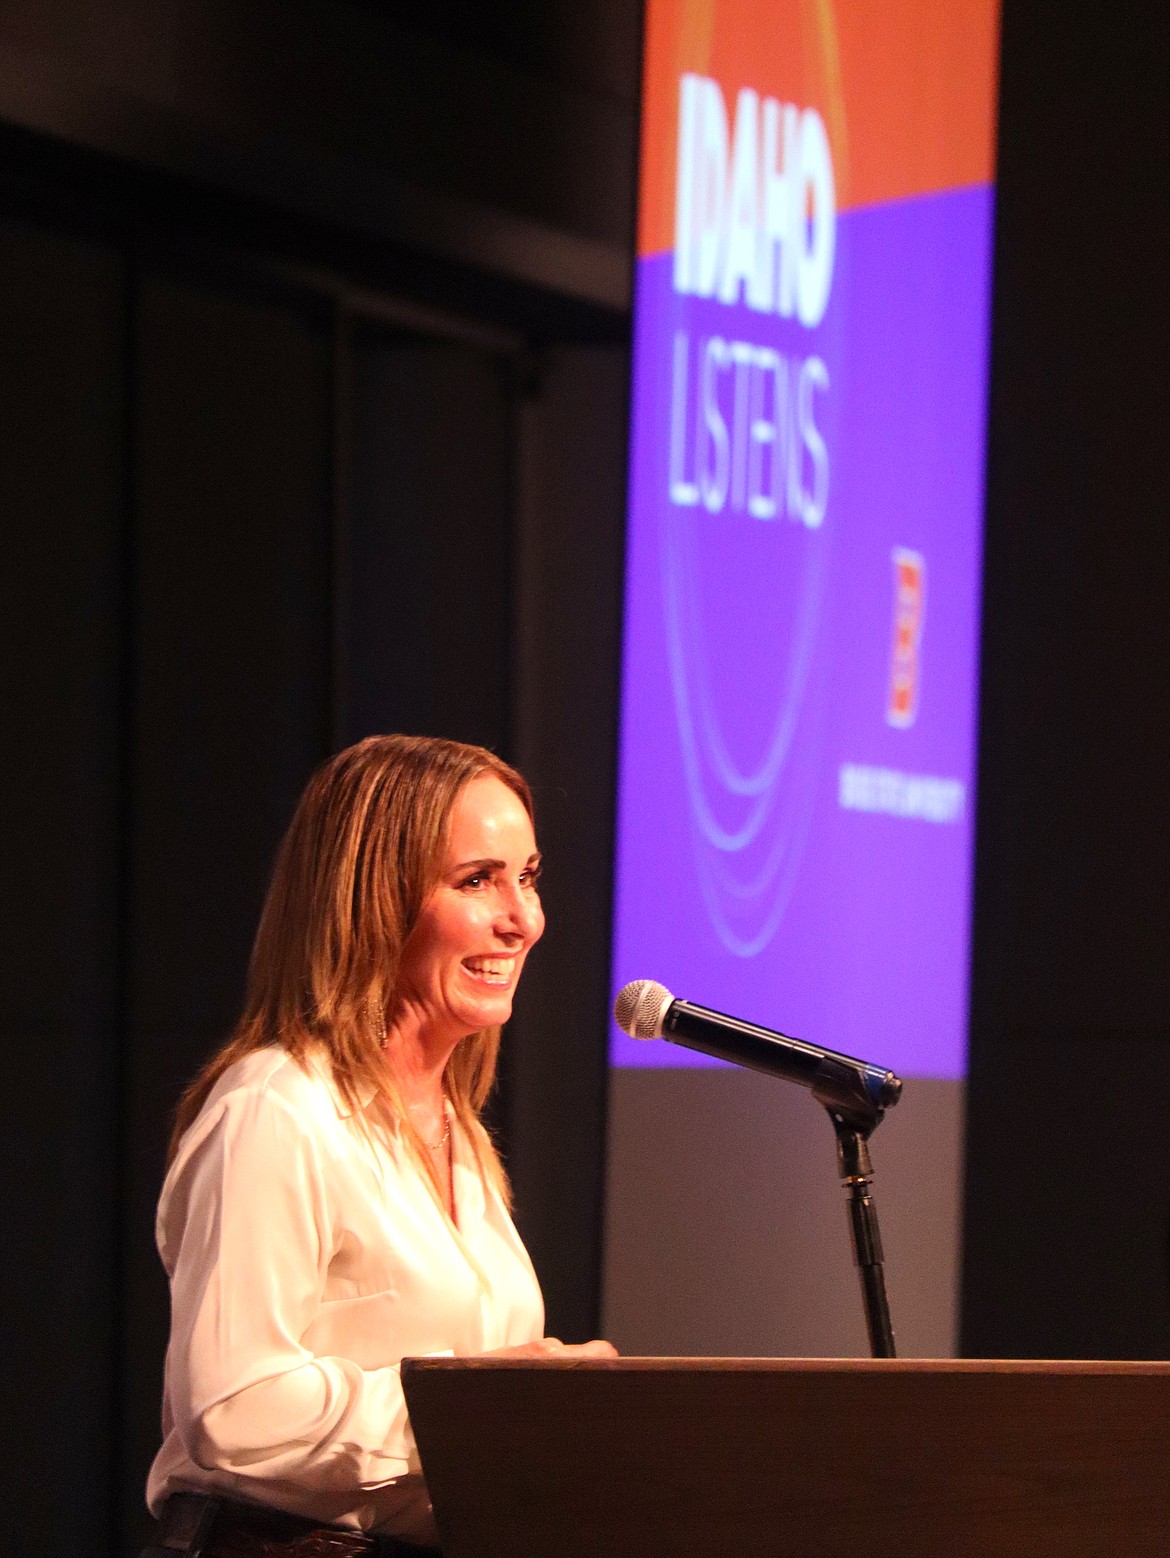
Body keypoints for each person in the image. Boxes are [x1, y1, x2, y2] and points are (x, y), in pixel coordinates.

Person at [143, 734, 615, 1557]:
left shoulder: (456, 1129)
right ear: (375, 898)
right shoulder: (276, 1109)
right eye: (478, 881)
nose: (523, 920)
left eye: (528, 878)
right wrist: (484, 1414)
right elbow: (233, 1407)